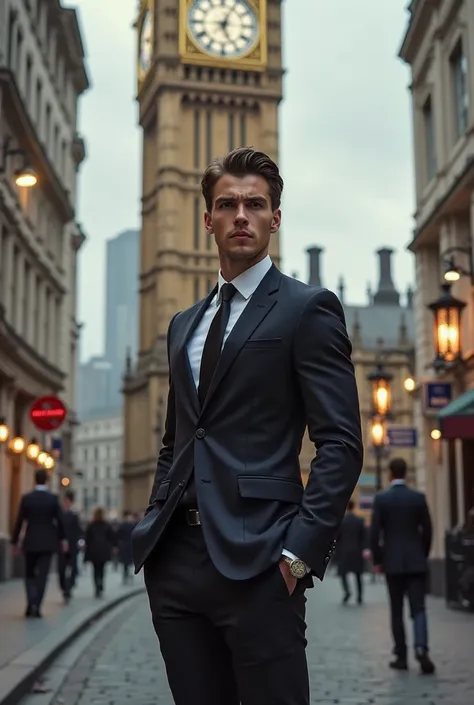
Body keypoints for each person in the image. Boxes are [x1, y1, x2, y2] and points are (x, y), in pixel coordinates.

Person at [132, 147, 363, 705]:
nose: (242, 215)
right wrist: (154, 524)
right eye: (227, 204)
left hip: (261, 562)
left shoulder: (307, 309)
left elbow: (341, 444)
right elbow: (177, 439)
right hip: (177, 564)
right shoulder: (184, 324)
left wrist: (296, 556)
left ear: (275, 219)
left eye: (255, 204)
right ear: (207, 219)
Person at [370, 457, 435, 675]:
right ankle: (421, 647)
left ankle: (401, 655)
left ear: (390, 473)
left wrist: (378, 560)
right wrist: (422, 554)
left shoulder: (382, 499)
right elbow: (428, 530)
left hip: (393, 563)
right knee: (419, 609)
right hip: (416, 561)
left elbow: (375, 533)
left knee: (396, 610)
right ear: (405, 473)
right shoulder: (418, 498)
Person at [11, 468, 67, 618]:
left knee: (29, 574)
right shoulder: (53, 499)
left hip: (30, 541)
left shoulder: (27, 498)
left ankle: (30, 603)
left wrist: (15, 541)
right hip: (48, 542)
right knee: (43, 575)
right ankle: (37, 605)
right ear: (46, 480)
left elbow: (19, 521)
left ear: (35, 480)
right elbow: (61, 522)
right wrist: (63, 540)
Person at [336, 499, 366, 605]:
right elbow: (363, 537)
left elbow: (336, 538)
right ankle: (359, 596)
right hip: (357, 551)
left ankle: (347, 591)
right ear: (354, 507)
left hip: (343, 551)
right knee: (358, 575)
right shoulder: (359, 520)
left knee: (343, 574)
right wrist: (364, 549)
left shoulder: (340, 522)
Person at [84, 507, 115, 597]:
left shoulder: (91, 525)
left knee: (95, 569)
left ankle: (96, 586)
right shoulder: (106, 525)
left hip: (93, 550)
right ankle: (101, 583)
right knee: (102, 569)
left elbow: (87, 539)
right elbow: (111, 537)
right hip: (104, 550)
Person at [57, 490, 82, 601]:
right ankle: (64, 586)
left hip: (72, 546)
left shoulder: (74, 515)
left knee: (73, 568)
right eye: (64, 501)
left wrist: (80, 541)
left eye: (67, 501)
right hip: (61, 546)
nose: (66, 503)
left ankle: (69, 588)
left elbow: (78, 530)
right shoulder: (59, 515)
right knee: (61, 568)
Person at [116, 511, 136, 584]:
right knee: (126, 562)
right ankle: (126, 574)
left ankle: (127, 574)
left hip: (128, 545)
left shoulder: (131, 525)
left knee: (128, 562)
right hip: (126, 545)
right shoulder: (126, 526)